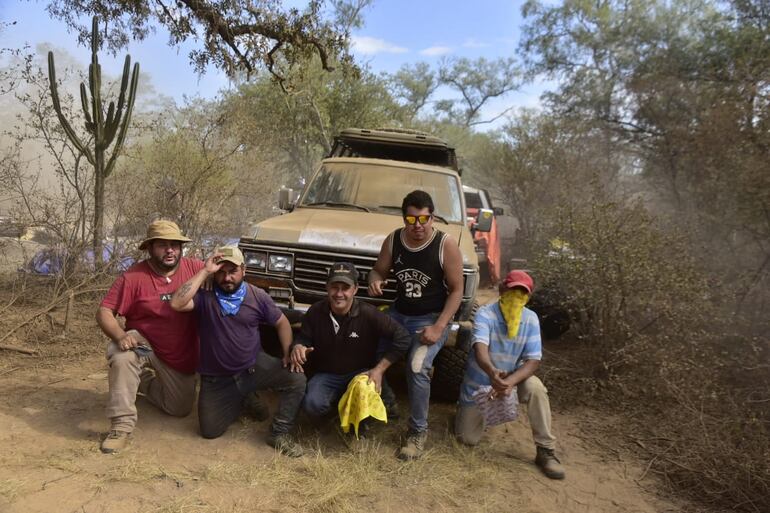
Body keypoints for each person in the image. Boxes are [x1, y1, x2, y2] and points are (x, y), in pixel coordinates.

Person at [170, 245, 306, 457]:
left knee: (296, 379)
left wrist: (287, 352)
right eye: (221, 272)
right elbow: (177, 303)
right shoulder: (205, 296)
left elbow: (282, 322)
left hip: (253, 367)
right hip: (217, 378)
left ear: (244, 270)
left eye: (232, 271)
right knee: (210, 431)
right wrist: (205, 271)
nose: (227, 278)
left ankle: (279, 433)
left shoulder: (257, 295)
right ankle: (242, 399)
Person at [368, 190, 464, 460]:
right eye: (411, 220)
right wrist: (374, 279)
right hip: (399, 313)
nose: (418, 226)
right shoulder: (394, 240)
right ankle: (386, 404)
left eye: (424, 219)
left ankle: (417, 433)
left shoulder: (446, 245)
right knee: (368, 345)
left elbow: (457, 291)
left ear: (432, 217)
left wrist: (439, 327)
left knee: (417, 365)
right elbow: (378, 270)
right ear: (404, 219)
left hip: (432, 317)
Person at [97, 220, 203, 454]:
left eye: (174, 245)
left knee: (179, 408)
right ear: (150, 248)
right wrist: (119, 334)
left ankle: (141, 381)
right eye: (162, 245)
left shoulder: (195, 269)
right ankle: (120, 428)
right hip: (142, 342)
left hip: (179, 354)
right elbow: (104, 311)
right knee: (122, 356)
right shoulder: (133, 276)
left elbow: (229, 282)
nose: (169, 250)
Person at [455, 270, 565, 480]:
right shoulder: (485, 314)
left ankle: (545, 450)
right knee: (466, 439)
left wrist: (509, 382)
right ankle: (466, 412)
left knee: (536, 388)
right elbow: (480, 348)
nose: (516, 296)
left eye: (521, 293)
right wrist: (492, 372)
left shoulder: (531, 319)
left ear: (528, 297)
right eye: (512, 290)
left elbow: (533, 360)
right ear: (502, 289)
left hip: (510, 381)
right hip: (481, 384)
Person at [289, 262, 411, 442]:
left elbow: (403, 337)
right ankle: (337, 411)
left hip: (361, 374)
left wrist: (379, 369)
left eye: (345, 288)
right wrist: (298, 346)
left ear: (355, 289)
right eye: (334, 287)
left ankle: (379, 406)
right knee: (312, 405)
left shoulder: (369, 314)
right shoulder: (315, 311)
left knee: (366, 401)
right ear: (327, 288)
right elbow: (304, 338)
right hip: (327, 374)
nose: (339, 294)